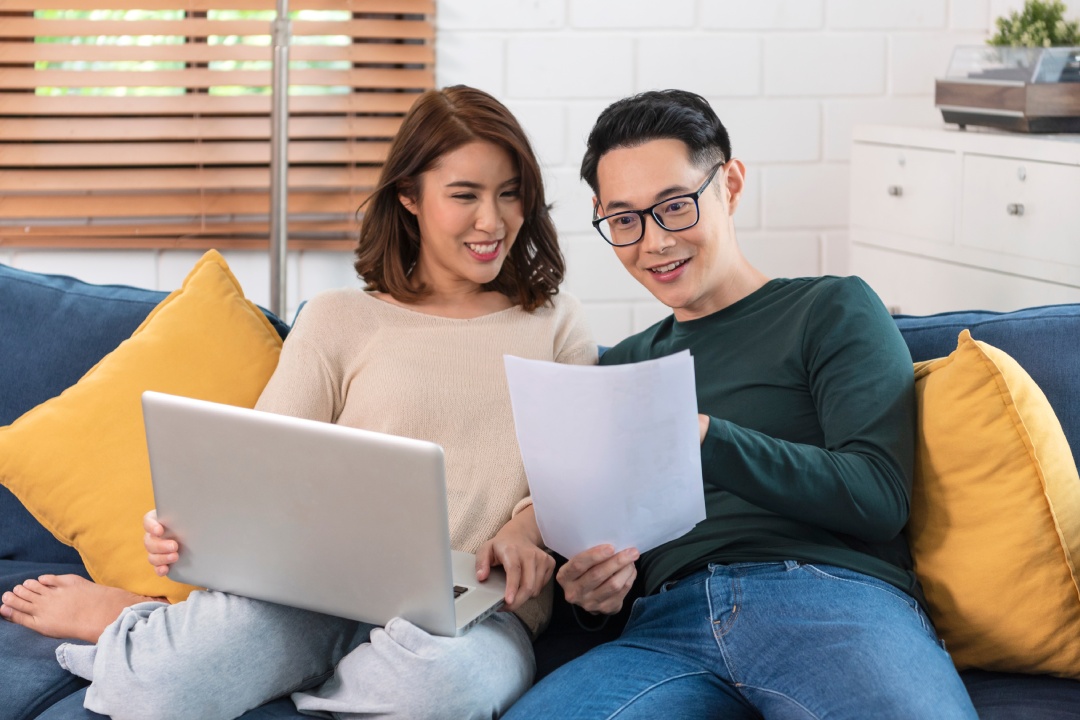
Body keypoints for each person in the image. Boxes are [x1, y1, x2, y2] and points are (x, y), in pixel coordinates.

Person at [0, 85, 595, 720]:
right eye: (465, 195)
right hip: (315, 597)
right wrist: (187, 531)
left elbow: (580, 468)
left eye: (510, 193)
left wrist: (524, 528)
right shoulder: (340, 318)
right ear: (409, 197)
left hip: (477, 613)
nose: (493, 220)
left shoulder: (555, 324)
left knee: (446, 691)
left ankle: (278, 666)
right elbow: (261, 462)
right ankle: (147, 625)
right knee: (157, 686)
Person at [503, 90, 978, 719]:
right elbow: (609, 550)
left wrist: (702, 436)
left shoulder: (831, 309)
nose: (653, 242)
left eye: (674, 206)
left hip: (829, 600)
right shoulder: (619, 369)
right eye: (625, 220)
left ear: (729, 183)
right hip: (660, 630)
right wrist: (595, 600)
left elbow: (878, 496)